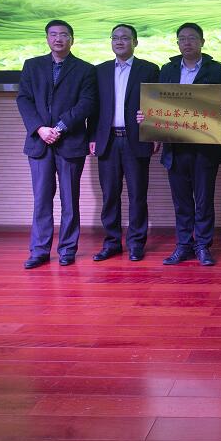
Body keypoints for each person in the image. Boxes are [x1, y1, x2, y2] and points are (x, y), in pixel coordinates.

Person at [141, 23, 221, 267]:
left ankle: (203, 246)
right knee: (181, 201)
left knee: (204, 200)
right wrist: (146, 116)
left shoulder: (216, 70)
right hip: (175, 147)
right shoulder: (168, 70)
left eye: (192, 38)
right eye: (182, 39)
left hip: (205, 147)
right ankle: (183, 245)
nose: (187, 42)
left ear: (202, 42)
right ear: (177, 43)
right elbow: (157, 103)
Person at [16, 20, 96, 269]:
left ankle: (67, 249)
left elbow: (86, 103)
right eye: (53, 34)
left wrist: (59, 128)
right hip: (39, 143)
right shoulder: (32, 65)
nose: (58, 38)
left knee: (70, 199)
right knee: (41, 199)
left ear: (72, 39)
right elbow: (24, 99)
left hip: (70, 142)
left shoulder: (85, 69)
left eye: (63, 34)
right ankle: (39, 250)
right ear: (47, 38)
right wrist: (40, 128)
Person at [88, 24, 160, 262]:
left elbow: (158, 105)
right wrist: (92, 137)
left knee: (137, 195)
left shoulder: (149, 69)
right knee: (110, 195)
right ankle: (111, 243)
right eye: (115, 38)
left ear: (135, 42)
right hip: (107, 140)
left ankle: (136, 243)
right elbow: (94, 107)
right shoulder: (100, 71)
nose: (119, 41)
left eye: (125, 38)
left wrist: (154, 133)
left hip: (136, 140)